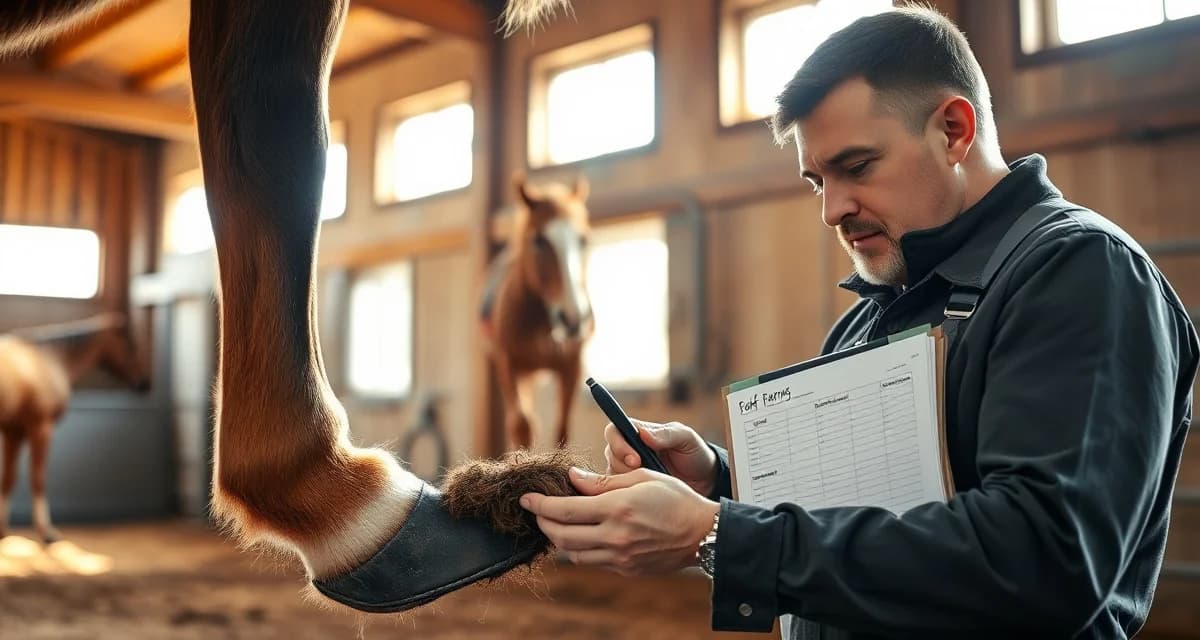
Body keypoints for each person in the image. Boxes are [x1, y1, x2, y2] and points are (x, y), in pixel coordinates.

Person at [517, 6, 1200, 638]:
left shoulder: (1079, 272)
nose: (832, 209)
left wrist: (719, 534)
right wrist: (721, 485)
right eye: (817, 180)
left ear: (954, 131)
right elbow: (876, 516)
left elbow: (1045, 559)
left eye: (856, 167)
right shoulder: (868, 321)